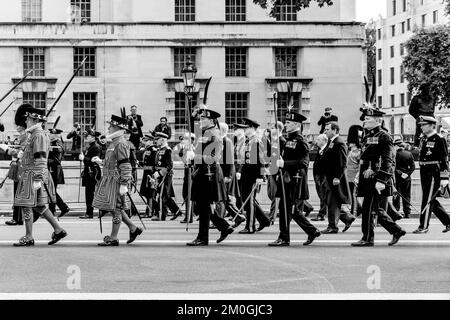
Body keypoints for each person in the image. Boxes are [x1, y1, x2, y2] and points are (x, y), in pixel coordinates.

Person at [0, 105, 68, 246]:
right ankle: (58, 230)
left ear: (33, 119)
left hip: (33, 174)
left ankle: (29, 236)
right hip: (30, 173)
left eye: (28, 119)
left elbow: (41, 158)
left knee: (27, 205)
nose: (25, 121)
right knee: (40, 206)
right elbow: (27, 154)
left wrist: (37, 178)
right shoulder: (33, 134)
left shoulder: (38, 135)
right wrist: (7, 149)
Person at [351, 107, 406, 247]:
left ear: (377, 120)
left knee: (368, 208)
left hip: (375, 177)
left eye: (368, 119)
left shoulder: (384, 136)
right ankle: (396, 230)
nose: (365, 121)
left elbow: (388, 160)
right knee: (374, 208)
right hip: (366, 175)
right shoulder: (368, 135)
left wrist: (382, 180)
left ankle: (368, 238)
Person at [268, 111, 321, 247]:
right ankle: (312, 231)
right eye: (286, 122)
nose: (286, 124)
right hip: (286, 179)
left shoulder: (300, 141)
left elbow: (304, 162)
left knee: (287, 208)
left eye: (288, 122)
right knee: (291, 209)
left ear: (297, 125)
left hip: (294, 180)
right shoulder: (289, 139)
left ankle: (284, 238)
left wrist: (284, 164)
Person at [92, 114, 144, 246]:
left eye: (111, 126)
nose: (108, 128)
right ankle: (133, 228)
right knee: (114, 207)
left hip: (116, 180)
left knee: (115, 208)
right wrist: (101, 162)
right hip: (109, 178)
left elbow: (125, 164)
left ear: (116, 127)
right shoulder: (113, 143)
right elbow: (112, 161)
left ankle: (114, 237)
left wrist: (124, 183)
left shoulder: (120, 143)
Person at [186, 106, 235, 246]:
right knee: (203, 206)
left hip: (209, 173)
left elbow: (213, 157)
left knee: (203, 205)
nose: (200, 120)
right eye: (200, 118)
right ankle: (224, 227)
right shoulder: (205, 133)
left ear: (211, 120)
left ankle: (203, 237)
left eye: (203, 118)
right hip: (202, 171)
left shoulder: (214, 134)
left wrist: (195, 156)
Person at [412, 116, 450, 234]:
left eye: (424, 125)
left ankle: (423, 226)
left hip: (434, 172)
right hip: (424, 171)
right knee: (431, 200)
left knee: (427, 200)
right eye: (421, 125)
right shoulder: (423, 138)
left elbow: (444, 159)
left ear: (432, 125)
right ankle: (448, 221)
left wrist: (444, 177)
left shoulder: (439, 139)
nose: (421, 127)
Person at [237, 118, 271, 234]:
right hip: (247, 173)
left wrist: (260, 176)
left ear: (252, 128)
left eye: (246, 128)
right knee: (247, 199)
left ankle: (250, 226)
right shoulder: (248, 140)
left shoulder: (257, 141)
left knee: (249, 200)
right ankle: (264, 220)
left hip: (253, 174)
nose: (244, 130)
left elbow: (262, 159)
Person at [321, 122, 355, 234]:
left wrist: (337, 177)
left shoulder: (339, 143)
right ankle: (347, 218)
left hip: (334, 178)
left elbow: (342, 162)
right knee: (331, 201)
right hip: (329, 176)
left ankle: (333, 226)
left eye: (327, 129)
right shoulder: (332, 142)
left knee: (332, 202)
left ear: (335, 130)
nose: (325, 131)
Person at [216, 122, 245, 227]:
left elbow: (230, 160)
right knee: (223, 197)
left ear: (221, 130)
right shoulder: (221, 141)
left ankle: (220, 219)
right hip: (221, 173)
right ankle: (238, 216)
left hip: (225, 173)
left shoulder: (226, 142)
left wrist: (228, 176)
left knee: (221, 198)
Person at [150, 132, 182, 221]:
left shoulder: (168, 150)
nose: (156, 141)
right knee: (164, 195)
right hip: (159, 174)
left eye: (157, 139)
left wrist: (160, 173)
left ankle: (161, 215)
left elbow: (169, 166)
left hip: (165, 175)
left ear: (163, 139)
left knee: (161, 195)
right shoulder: (160, 149)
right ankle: (176, 211)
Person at [264, 121, 285, 225]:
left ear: (278, 130)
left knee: (275, 194)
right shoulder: (274, 141)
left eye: (272, 128)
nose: (270, 129)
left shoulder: (281, 141)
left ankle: (271, 217)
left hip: (276, 170)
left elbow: (280, 156)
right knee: (270, 193)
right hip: (271, 169)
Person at [78, 130, 102, 219]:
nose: (87, 137)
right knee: (89, 193)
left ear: (93, 137)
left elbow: (94, 160)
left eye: (89, 136)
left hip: (93, 172)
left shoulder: (96, 147)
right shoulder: (91, 146)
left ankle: (91, 212)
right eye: (87, 136)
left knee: (91, 193)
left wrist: (84, 158)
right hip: (88, 171)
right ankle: (89, 212)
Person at [48, 126, 70, 217]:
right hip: (51, 169)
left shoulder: (57, 145)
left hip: (54, 170)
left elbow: (56, 161)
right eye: (50, 133)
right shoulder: (52, 143)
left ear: (57, 135)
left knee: (51, 191)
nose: (50, 135)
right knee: (50, 191)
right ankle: (53, 210)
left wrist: (44, 160)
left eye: (52, 133)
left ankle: (62, 207)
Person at [393, 139, 415, 219]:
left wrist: (400, 173)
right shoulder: (409, 154)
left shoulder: (394, 154)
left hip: (397, 177)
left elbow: (393, 167)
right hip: (407, 177)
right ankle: (407, 212)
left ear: (396, 145)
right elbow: (413, 167)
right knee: (407, 195)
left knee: (396, 194)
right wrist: (407, 174)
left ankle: (396, 211)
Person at [139, 134, 158, 218]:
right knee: (146, 193)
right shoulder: (147, 150)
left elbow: (155, 164)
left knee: (150, 194)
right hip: (146, 174)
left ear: (150, 141)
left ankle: (151, 211)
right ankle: (151, 210)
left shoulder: (154, 150)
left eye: (146, 141)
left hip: (151, 174)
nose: (145, 142)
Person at [311, 134, 329, 222]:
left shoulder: (327, 149)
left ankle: (321, 214)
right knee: (323, 197)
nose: (316, 141)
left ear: (323, 141)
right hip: (318, 176)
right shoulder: (319, 149)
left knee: (324, 197)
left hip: (324, 176)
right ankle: (347, 217)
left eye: (318, 140)